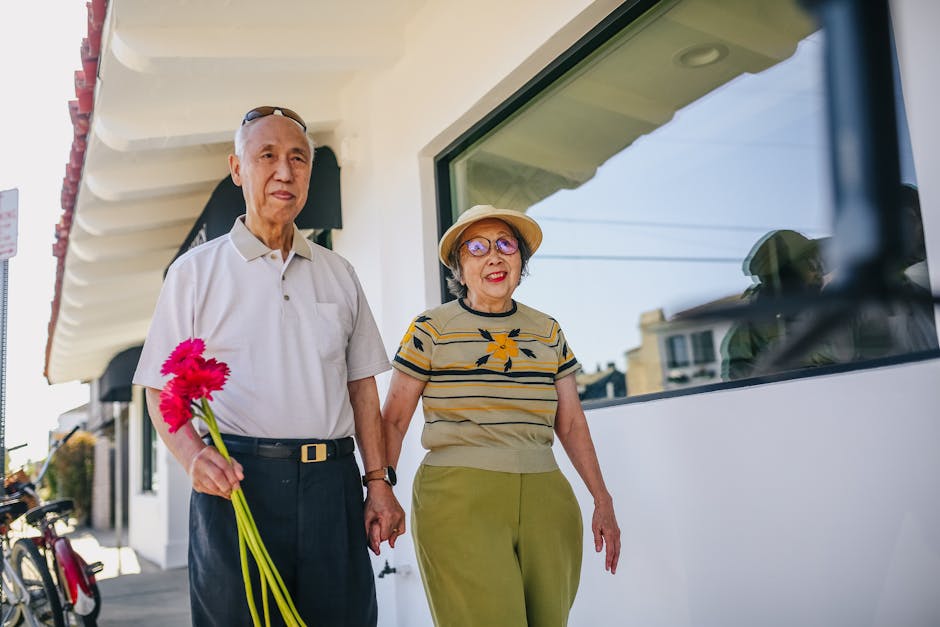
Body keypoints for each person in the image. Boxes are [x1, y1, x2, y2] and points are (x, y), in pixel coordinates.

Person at [133, 105, 405, 626]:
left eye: (298, 158)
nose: (285, 171)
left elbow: (362, 388)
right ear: (237, 169)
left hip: (332, 485)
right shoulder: (194, 273)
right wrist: (192, 455)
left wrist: (378, 483)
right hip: (238, 485)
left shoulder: (339, 273)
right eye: (267, 156)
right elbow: (158, 389)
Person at [381, 204, 621, 626]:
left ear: (520, 261)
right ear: (459, 264)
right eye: (477, 247)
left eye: (505, 245)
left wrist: (602, 499)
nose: (494, 256)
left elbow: (571, 422)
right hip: (457, 497)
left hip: (547, 495)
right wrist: (380, 489)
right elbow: (395, 419)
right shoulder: (430, 328)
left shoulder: (547, 330)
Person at [720, 229, 825, 380]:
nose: (818, 272)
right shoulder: (750, 331)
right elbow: (744, 384)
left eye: (819, 264)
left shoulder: (836, 312)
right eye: (812, 264)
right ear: (787, 274)